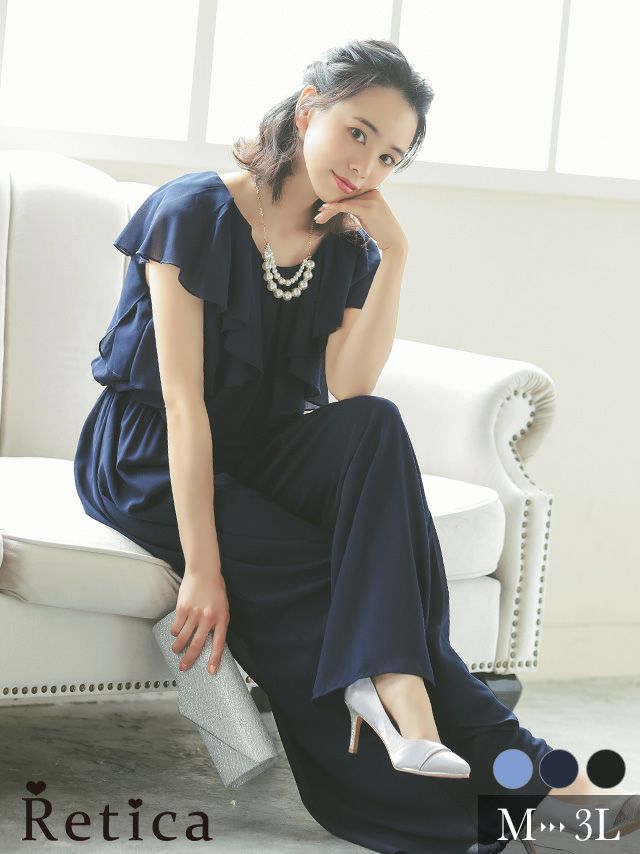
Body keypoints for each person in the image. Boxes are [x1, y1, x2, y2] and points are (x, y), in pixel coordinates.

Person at [74, 38, 638, 854]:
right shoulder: (193, 211)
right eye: (358, 132)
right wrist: (202, 568)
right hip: (151, 460)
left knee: (376, 426)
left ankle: (410, 691)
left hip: (262, 452)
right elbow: (182, 405)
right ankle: (542, 795)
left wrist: (395, 254)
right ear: (309, 110)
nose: (366, 165)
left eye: (390, 156)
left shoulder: (348, 247)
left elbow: (352, 388)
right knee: (360, 600)